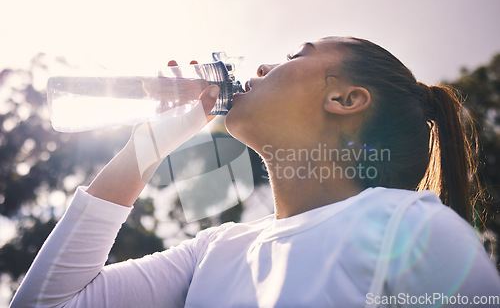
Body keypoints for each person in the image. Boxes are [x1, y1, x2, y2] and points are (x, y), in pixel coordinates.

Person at [11, 37, 500, 307]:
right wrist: (147, 146)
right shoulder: (215, 250)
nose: (263, 67)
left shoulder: (410, 226)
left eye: (295, 56)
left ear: (345, 99)